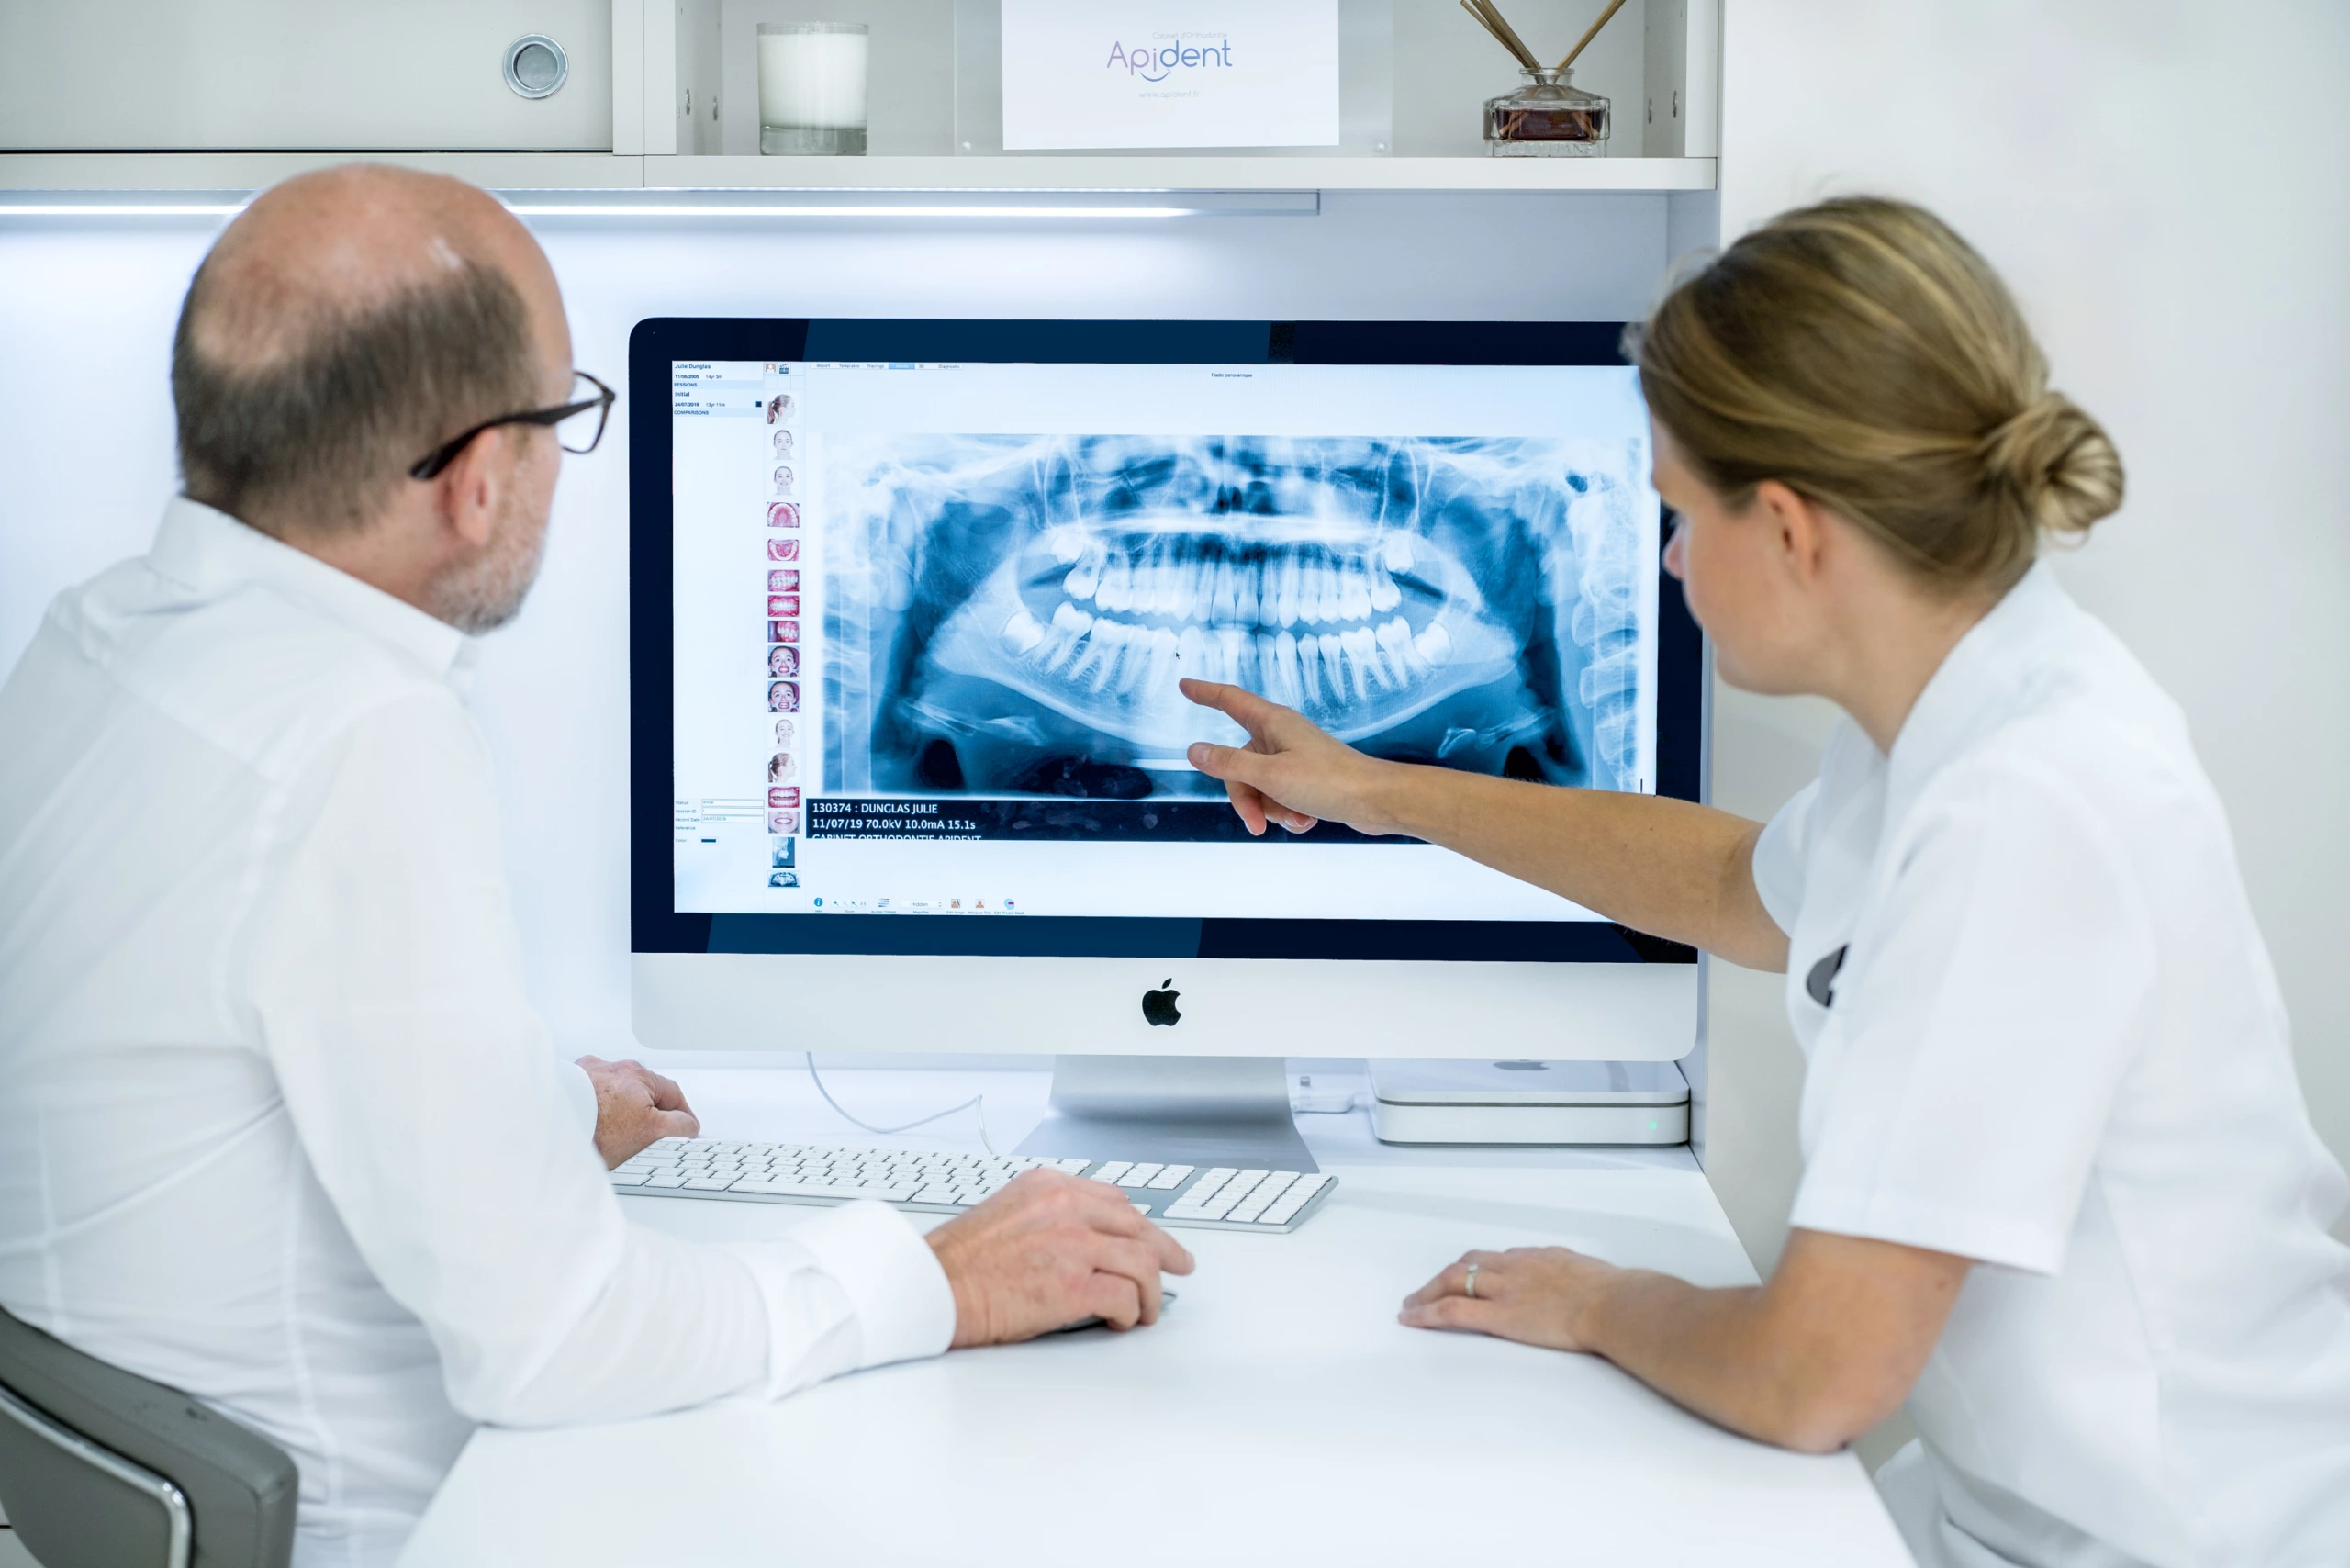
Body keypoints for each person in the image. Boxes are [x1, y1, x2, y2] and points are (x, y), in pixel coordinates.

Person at [0, 164, 1190, 1568]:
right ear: (475, 476)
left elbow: (220, 1058)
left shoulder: (105, 635)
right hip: (401, 1529)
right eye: (565, 417)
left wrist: (534, 1116)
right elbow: (556, 1342)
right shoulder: (359, 734)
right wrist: (938, 1281)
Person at [1181, 197, 2350, 1568]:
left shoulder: (2025, 808)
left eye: (1677, 513)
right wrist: (1375, 791)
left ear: (1789, 529)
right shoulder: (1962, 708)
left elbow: (1813, 1379)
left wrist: (1600, 1301)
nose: (1673, 562)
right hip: (2019, 1513)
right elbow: (1742, 885)